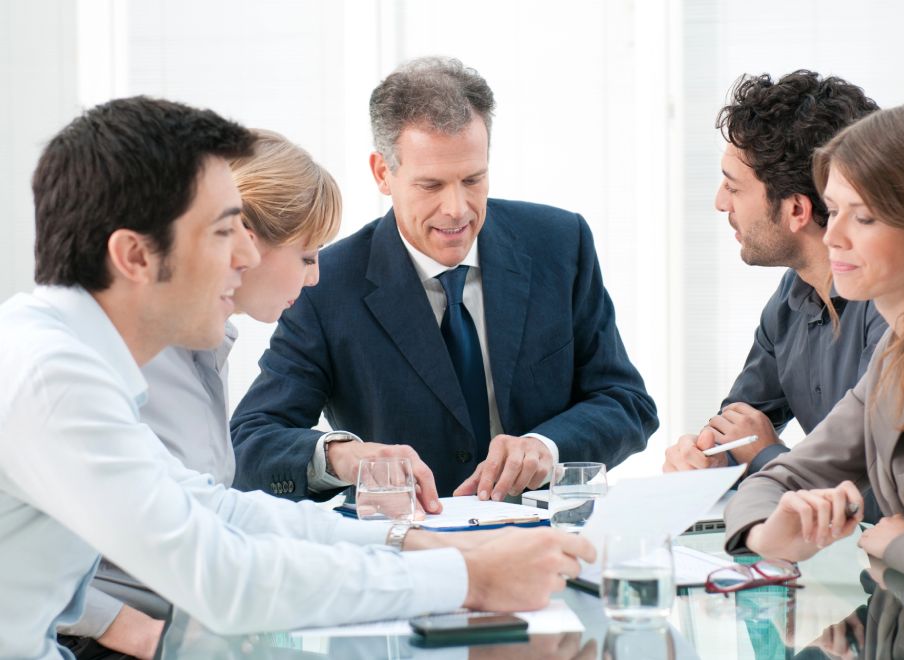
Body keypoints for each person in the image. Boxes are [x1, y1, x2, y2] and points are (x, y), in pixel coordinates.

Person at [0, 96, 595, 660]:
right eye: (222, 232)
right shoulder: (54, 380)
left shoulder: (67, 359)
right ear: (134, 256)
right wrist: (469, 576)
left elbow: (221, 512)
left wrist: (424, 545)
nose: (244, 257)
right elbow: (226, 578)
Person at [230, 56, 659, 503]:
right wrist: (344, 457)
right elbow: (250, 442)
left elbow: (626, 402)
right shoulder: (326, 283)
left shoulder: (559, 244)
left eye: (473, 179)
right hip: (409, 550)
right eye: (431, 185)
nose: (457, 208)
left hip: (546, 538)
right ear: (383, 173)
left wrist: (544, 448)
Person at [55, 129, 353, 658]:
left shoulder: (205, 344)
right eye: (307, 256)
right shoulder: (122, 350)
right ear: (246, 242)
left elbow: (210, 511)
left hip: (185, 622)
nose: (315, 279)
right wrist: (119, 625)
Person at [723, 104, 904, 612]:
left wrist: (885, 542)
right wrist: (769, 534)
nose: (833, 235)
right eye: (834, 209)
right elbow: (782, 479)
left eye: (862, 216)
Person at [662, 70, 886, 487]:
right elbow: (739, 426)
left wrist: (766, 456)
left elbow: (880, 487)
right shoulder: (792, 294)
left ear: (796, 211)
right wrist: (708, 458)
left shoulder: (895, 305)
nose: (718, 202)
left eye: (733, 187)